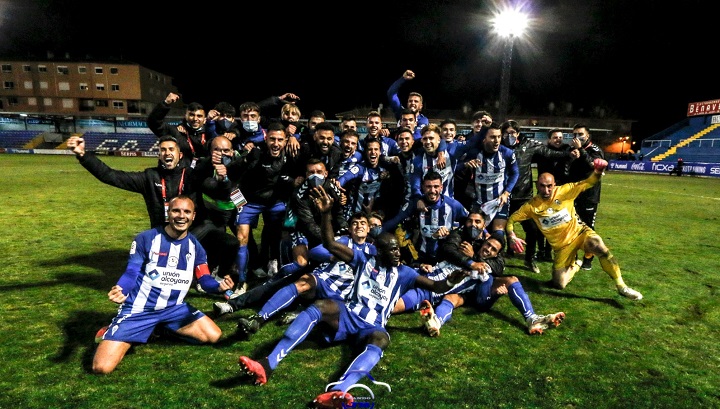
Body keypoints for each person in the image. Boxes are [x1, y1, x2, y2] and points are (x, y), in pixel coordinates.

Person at [237, 186, 469, 408]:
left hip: (372, 325)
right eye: (393, 249)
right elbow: (329, 243)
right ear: (379, 251)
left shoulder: (405, 273)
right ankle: (268, 364)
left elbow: (437, 286)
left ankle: (340, 390)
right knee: (320, 306)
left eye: (398, 248)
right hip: (348, 314)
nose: (398, 253)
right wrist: (327, 213)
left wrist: (452, 281)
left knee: (381, 339)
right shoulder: (363, 259)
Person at [92, 195, 234, 374]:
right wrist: (122, 288)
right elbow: (132, 271)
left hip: (175, 309)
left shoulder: (196, 248)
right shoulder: (146, 238)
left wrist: (217, 287)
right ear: (168, 213)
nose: (181, 216)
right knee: (101, 367)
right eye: (176, 211)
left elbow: (204, 279)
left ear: (193, 216)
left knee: (213, 335)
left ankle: (161, 330)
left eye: (186, 212)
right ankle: (128, 329)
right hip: (140, 310)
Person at [506, 159, 643, 300]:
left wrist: (598, 172)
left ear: (554, 185)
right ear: (537, 185)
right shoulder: (531, 206)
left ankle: (621, 286)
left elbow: (588, 182)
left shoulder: (565, 191)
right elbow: (511, 220)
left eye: (549, 186)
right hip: (562, 248)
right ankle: (578, 263)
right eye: (542, 186)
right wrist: (511, 236)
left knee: (598, 246)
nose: (546, 190)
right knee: (559, 284)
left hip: (580, 233)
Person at [394, 234, 565, 337]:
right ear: (483, 242)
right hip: (430, 279)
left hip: (447, 291)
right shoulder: (465, 245)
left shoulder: (493, 264)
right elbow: (448, 250)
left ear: (497, 254)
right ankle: (434, 321)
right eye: (488, 245)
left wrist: (474, 260)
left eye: (493, 249)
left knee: (396, 307)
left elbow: (484, 279)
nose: (488, 250)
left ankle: (532, 318)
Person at [226, 122, 300, 295]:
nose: (276, 143)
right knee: (241, 238)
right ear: (266, 139)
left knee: (282, 234)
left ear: (285, 140)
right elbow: (234, 178)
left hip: (275, 203)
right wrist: (238, 202)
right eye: (272, 139)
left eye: (280, 140)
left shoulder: (292, 155)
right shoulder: (255, 154)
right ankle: (242, 281)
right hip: (250, 202)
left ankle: (277, 269)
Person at [500, 120, 574, 274]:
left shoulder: (528, 146)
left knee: (533, 230)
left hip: (524, 197)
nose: (509, 135)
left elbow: (551, 153)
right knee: (500, 229)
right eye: (506, 132)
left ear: (518, 133)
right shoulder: (498, 148)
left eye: (513, 132)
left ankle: (529, 259)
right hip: (503, 196)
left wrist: (568, 154)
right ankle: (502, 256)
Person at [383, 170, 468, 266]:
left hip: (446, 257)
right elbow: (395, 221)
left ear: (441, 187)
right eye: (428, 187)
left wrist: (454, 233)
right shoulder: (415, 204)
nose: (432, 191)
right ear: (423, 187)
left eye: (436, 187)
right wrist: (374, 233)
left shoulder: (453, 205)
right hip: (421, 256)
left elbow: (469, 221)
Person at [455, 122, 519, 240]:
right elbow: (455, 167)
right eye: (493, 137)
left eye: (499, 137)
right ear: (484, 139)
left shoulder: (507, 153)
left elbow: (515, 173)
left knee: (498, 235)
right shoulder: (474, 153)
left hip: (499, 201)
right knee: (474, 234)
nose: (497, 141)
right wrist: (465, 165)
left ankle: (496, 257)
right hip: (479, 201)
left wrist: (506, 193)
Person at [566, 124, 605, 271]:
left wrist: (581, 151)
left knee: (588, 229)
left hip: (589, 197)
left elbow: (593, 166)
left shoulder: (595, 150)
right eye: (574, 134)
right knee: (572, 227)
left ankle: (588, 259)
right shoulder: (572, 150)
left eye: (580, 134)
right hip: (573, 196)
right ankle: (572, 256)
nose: (577, 137)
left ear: (587, 136)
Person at [147, 92, 209, 165]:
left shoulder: (209, 134)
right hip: (181, 174)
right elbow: (153, 122)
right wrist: (166, 103)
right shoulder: (175, 132)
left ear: (204, 119)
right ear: (186, 116)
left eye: (199, 116)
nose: (195, 119)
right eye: (192, 115)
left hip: (202, 175)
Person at [386, 69, 429, 136]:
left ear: (421, 106)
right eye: (410, 101)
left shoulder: (423, 120)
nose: (413, 103)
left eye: (416, 101)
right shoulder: (400, 112)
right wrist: (402, 79)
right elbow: (391, 94)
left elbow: (417, 137)